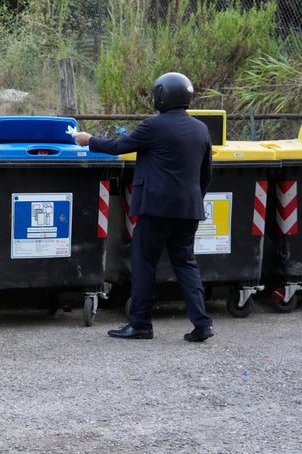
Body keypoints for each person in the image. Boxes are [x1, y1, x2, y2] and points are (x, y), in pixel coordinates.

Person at [72, 72, 214, 342]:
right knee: (186, 264)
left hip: (156, 210)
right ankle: (202, 324)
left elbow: (117, 147)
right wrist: (193, 200)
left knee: (144, 263)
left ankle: (140, 324)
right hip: (189, 210)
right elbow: (206, 173)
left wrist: (89, 140)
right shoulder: (201, 128)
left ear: (161, 95)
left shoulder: (155, 126)